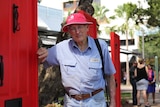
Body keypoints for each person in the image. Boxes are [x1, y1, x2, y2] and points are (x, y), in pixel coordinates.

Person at [37, 13, 116, 107]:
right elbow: (39, 59)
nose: (77, 31)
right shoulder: (61, 48)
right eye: (73, 28)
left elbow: (110, 76)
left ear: (87, 28)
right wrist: (41, 53)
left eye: (80, 27)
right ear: (69, 31)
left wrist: (113, 102)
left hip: (96, 102)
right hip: (72, 102)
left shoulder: (101, 46)